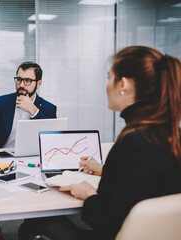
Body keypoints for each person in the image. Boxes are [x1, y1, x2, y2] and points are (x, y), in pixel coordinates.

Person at [18, 46, 181, 240]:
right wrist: (104, 170)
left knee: (34, 223)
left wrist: (88, 195)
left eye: (109, 77)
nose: (106, 85)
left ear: (123, 85)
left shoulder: (133, 143)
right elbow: (149, 182)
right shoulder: (171, 134)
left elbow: (109, 222)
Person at [0, 61, 57, 156]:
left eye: (27, 81)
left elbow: (51, 140)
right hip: (2, 156)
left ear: (39, 84)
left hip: (34, 157)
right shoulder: (0, 103)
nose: (21, 85)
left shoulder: (49, 108)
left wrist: (34, 111)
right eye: (19, 79)